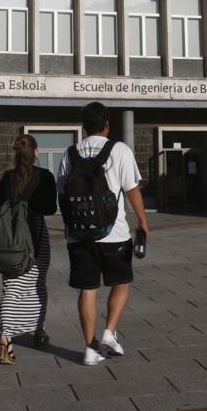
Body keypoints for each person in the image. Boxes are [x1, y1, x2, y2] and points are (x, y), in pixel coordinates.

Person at [57, 101, 149, 365]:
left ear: (84, 127)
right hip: (114, 234)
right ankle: (109, 332)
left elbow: (62, 194)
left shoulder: (70, 153)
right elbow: (132, 189)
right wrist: (142, 221)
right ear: (107, 124)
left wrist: (71, 227)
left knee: (88, 288)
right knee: (121, 282)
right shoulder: (119, 150)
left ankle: (89, 348)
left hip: (79, 236)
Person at [0, 134, 57, 364]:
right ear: (36, 152)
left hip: (9, 240)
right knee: (37, 283)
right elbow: (50, 208)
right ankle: (38, 329)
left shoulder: (6, 178)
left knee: (11, 286)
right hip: (35, 236)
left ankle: (6, 337)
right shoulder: (44, 176)